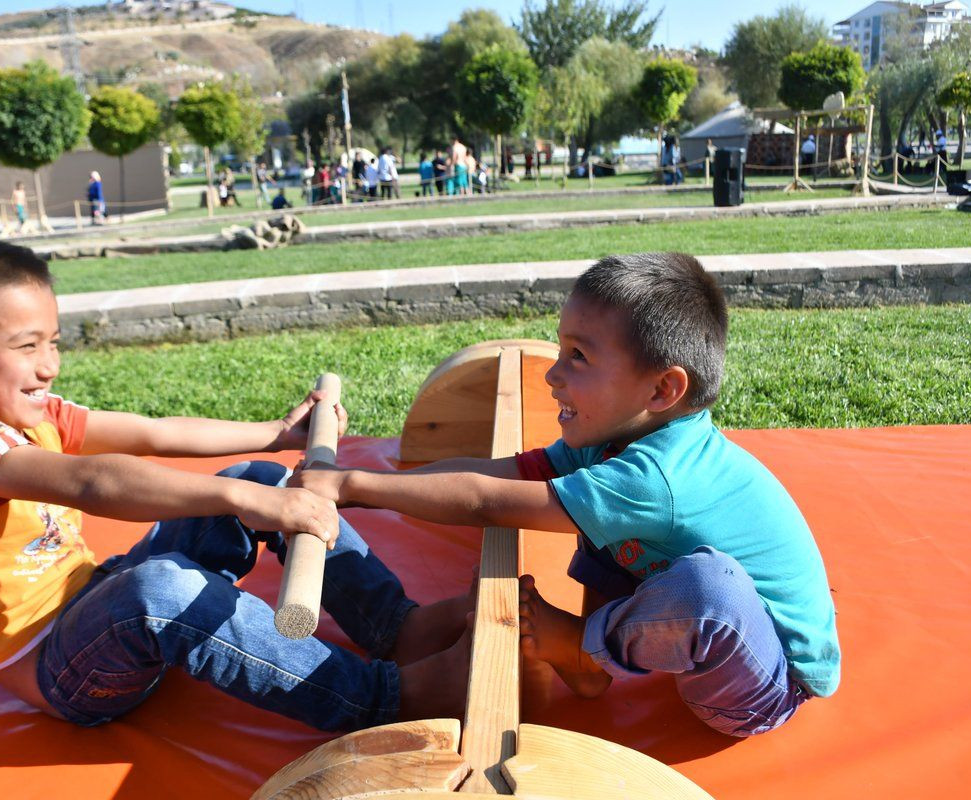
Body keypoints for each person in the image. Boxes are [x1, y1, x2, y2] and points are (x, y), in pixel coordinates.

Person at [0, 238, 474, 731]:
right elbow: (91, 482)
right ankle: (383, 698)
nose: (49, 365)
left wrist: (276, 434)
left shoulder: (30, 411)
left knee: (259, 477)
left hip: (90, 598)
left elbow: (153, 433)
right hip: (61, 671)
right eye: (27, 347)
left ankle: (398, 628)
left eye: (53, 342)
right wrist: (246, 500)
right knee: (160, 590)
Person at [292, 252, 842, 738]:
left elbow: (489, 501)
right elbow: (497, 473)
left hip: (763, 683)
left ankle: (585, 646)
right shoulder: (614, 441)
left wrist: (352, 483)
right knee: (593, 509)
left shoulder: (656, 477)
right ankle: (591, 662)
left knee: (708, 589)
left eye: (578, 356)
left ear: (662, 389)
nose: (554, 374)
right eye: (561, 349)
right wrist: (353, 489)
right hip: (705, 639)